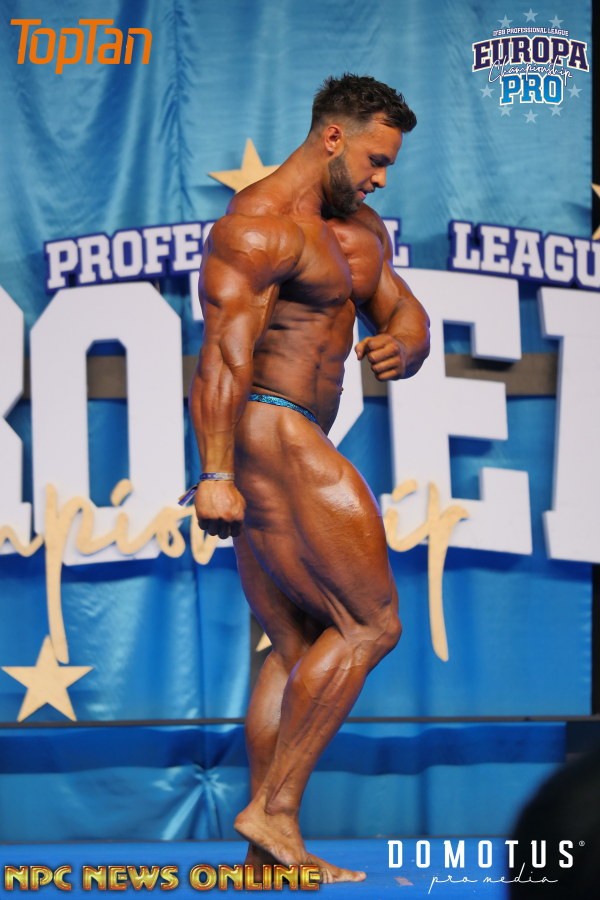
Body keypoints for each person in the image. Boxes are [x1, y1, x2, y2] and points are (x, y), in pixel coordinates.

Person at [187, 74, 430, 883]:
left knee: (293, 642)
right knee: (372, 625)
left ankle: (264, 858)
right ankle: (276, 810)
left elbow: (402, 309)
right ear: (333, 137)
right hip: (269, 423)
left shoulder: (357, 229)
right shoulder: (258, 226)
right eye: (374, 159)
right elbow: (223, 356)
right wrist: (213, 473)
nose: (380, 178)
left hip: (296, 430)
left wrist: (406, 343)